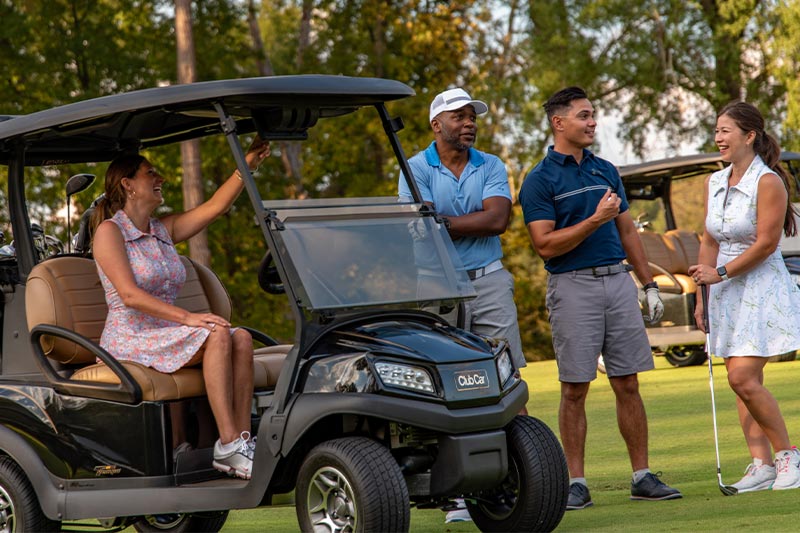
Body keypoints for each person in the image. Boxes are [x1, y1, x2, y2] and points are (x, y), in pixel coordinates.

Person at [519, 86, 681, 510]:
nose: (592, 122)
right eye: (584, 116)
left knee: (628, 381)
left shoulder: (606, 169)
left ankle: (642, 476)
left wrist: (647, 285)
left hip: (618, 283)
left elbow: (628, 232)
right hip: (573, 287)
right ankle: (576, 482)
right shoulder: (539, 180)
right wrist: (595, 219)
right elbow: (546, 245)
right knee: (575, 388)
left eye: (593, 116)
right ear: (559, 123)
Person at [91, 136, 270, 480]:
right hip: (130, 336)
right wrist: (190, 318)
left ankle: (242, 442)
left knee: (243, 338)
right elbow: (129, 295)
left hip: (164, 332)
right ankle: (228, 443)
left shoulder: (162, 230)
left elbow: (215, 208)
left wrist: (248, 165)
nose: (161, 179)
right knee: (217, 334)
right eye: (151, 173)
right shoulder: (109, 232)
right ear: (128, 184)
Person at [398, 87, 526, 523]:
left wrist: (445, 222)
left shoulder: (491, 164)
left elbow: (498, 220)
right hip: (436, 287)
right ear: (437, 125)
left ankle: (522, 482)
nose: (469, 123)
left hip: (489, 283)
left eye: (472, 116)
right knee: (440, 386)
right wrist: (446, 224)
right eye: (459, 116)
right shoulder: (413, 168)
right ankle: (453, 494)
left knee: (507, 380)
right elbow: (418, 228)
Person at [688, 101, 800, 492]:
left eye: (725, 131)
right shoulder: (714, 182)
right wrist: (703, 296)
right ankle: (761, 464)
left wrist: (718, 273)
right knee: (741, 380)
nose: (718, 138)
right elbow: (709, 238)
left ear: (749, 136)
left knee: (742, 376)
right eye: (716, 130)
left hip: (761, 287)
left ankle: (789, 455)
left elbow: (768, 243)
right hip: (725, 292)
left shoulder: (767, 182)